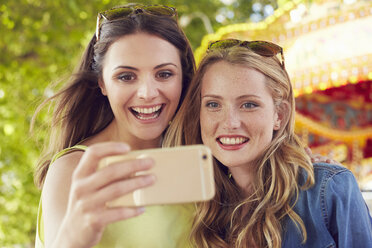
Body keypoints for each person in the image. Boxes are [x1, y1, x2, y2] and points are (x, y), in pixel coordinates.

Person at [164, 39, 372, 247]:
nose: (230, 122)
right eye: (213, 104)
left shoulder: (328, 190)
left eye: (248, 104)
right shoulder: (201, 212)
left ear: (279, 115)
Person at [32, 4, 196, 248]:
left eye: (164, 74)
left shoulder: (199, 159)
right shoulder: (75, 169)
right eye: (126, 77)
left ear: (182, 77)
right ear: (102, 83)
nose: (147, 93)